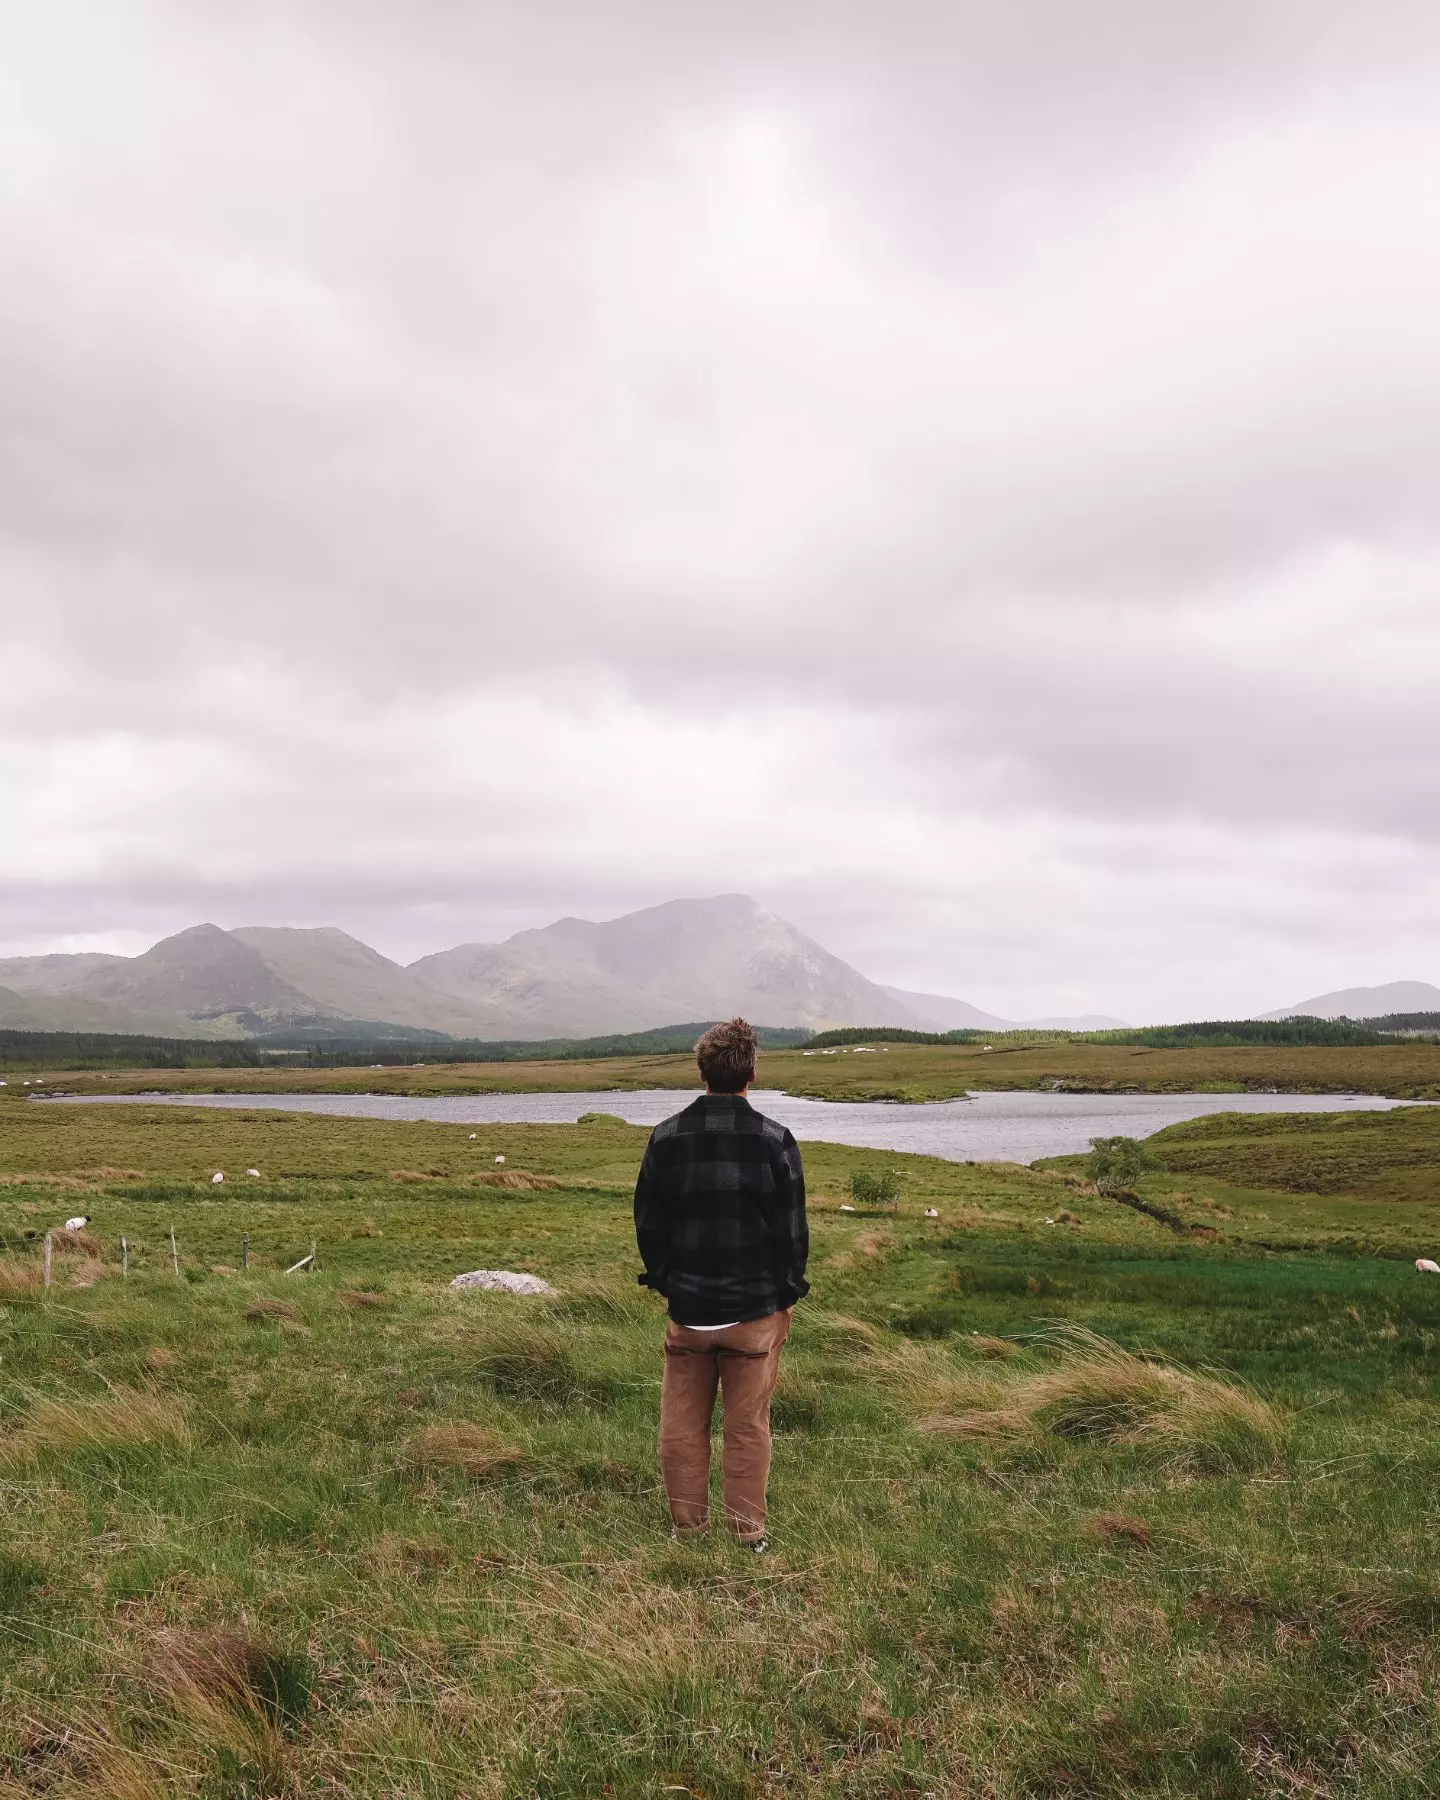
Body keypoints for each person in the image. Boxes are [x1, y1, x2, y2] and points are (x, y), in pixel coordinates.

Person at [633, 1017, 809, 1552]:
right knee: (748, 1426)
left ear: (701, 1071)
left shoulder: (665, 1138)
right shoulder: (776, 1140)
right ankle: (748, 1535)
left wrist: (670, 1285)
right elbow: (792, 1235)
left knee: (682, 1428)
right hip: (755, 1312)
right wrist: (785, 1294)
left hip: (688, 1312)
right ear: (751, 1073)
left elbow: (648, 1226)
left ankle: (688, 1531)